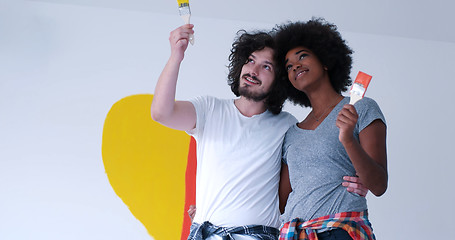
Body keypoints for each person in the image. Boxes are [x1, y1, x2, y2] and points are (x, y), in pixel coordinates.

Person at [152, 24, 368, 240]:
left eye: (266, 67)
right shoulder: (209, 109)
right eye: (250, 60)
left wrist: (352, 183)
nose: (253, 71)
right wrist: (176, 56)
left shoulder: (288, 127)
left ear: (279, 81)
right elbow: (161, 113)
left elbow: (312, 168)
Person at [274, 18, 388, 240]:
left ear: (325, 61)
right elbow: (279, 202)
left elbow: (379, 185)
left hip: (341, 230)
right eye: (288, 66)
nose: (295, 65)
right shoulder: (291, 134)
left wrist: (347, 139)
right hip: (294, 234)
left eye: (303, 56)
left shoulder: (362, 108)